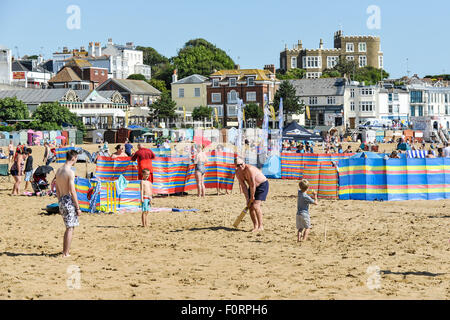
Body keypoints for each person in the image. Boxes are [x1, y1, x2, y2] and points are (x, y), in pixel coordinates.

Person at [55, 150, 81, 257]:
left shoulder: (59, 170)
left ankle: (65, 251)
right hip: (68, 200)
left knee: (68, 227)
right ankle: (66, 252)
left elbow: (57, 188)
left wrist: (59, 200)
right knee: (70, 228)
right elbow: (72, 190)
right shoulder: (70, 172)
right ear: (74, 158)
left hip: (61, 200)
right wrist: (78, 207)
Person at [235, 156, 269, 232]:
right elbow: (243, 186)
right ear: (235, 166)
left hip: (262, 185)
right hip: (251, 187)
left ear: (244, 163)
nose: (240, 166)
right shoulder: (238, 173)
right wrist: (247, 199)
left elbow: (253, 184)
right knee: (250, 206)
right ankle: (255, 226)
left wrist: (252, 197)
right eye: (238, 165)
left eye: (241, 164)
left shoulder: (249, 169)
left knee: (256, 205)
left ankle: (261, 226)